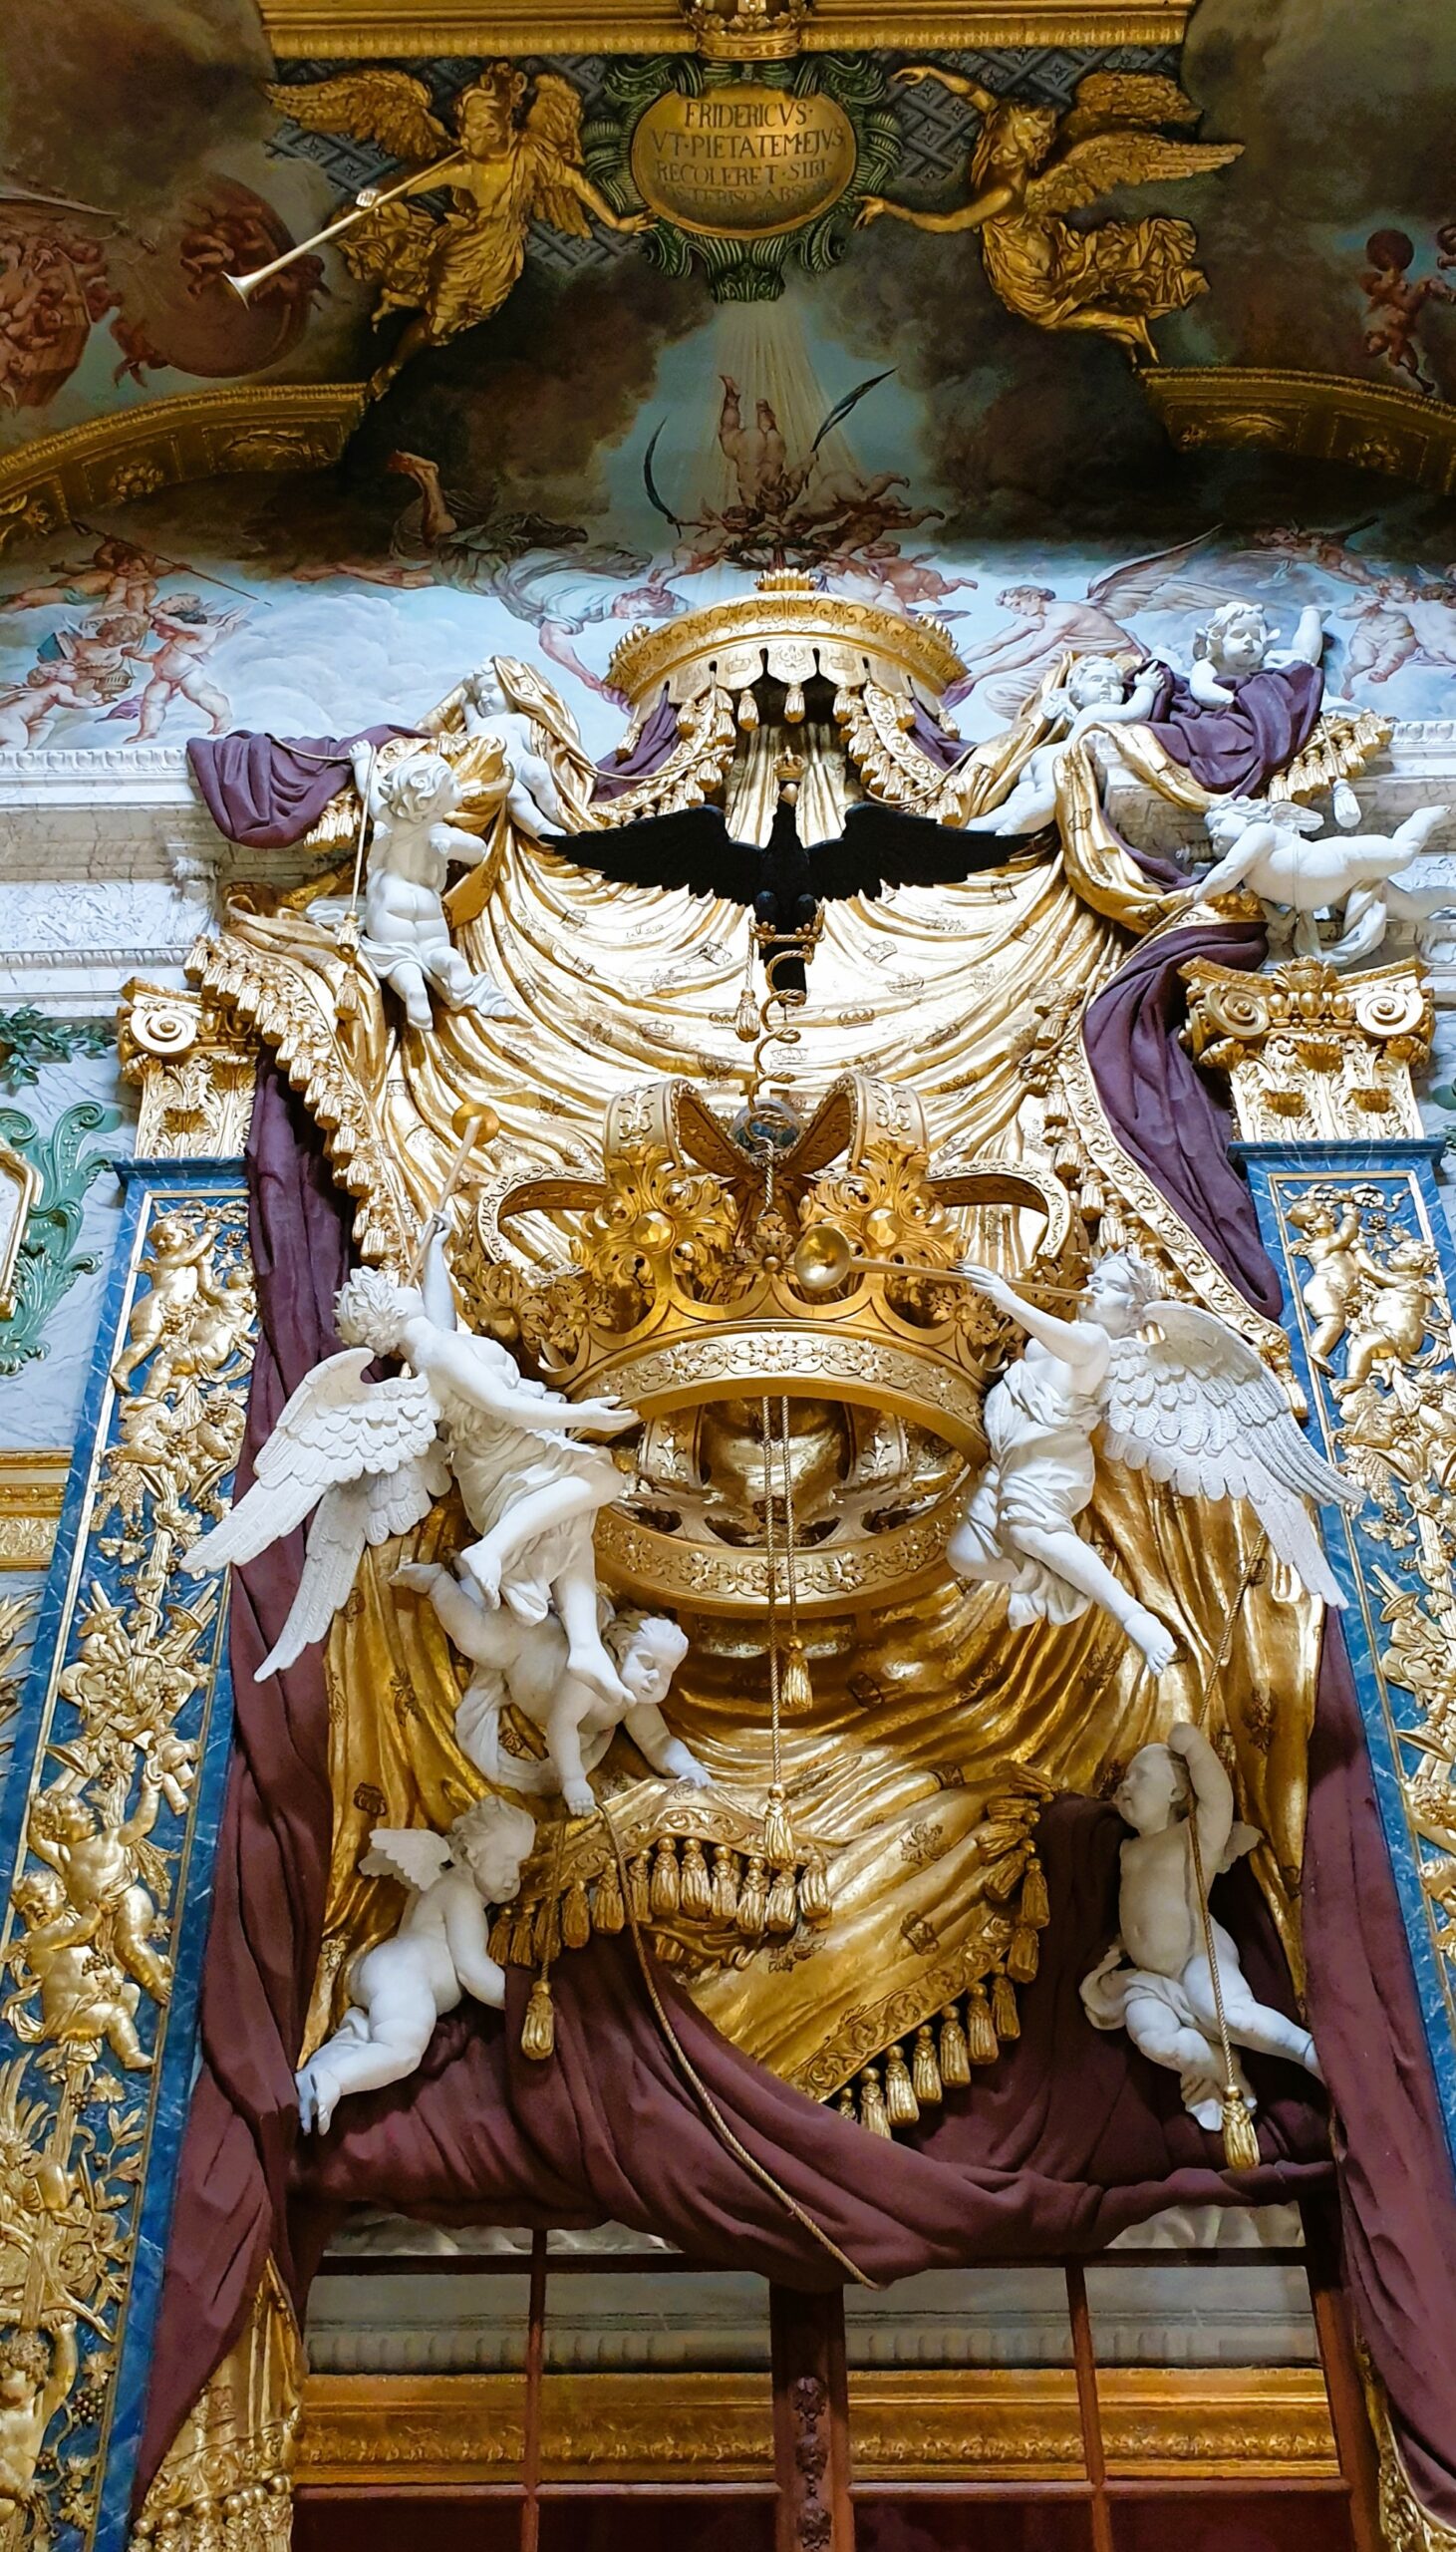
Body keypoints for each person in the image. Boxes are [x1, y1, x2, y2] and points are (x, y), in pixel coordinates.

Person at [1080, 1722, 1322, 2125]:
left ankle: (1306, 2052)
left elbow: (1217, 1799)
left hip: (1195, 1958)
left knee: (1234, 2018)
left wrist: (1194, 1748)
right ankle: (1221, 2068)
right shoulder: (1127, 1850)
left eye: (1140, 1776)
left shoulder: (1191, 1838)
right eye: (1124, 1779)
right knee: (1156, 2040)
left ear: (1176, 1792)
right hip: (1148, 1978)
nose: (1125, 1785)